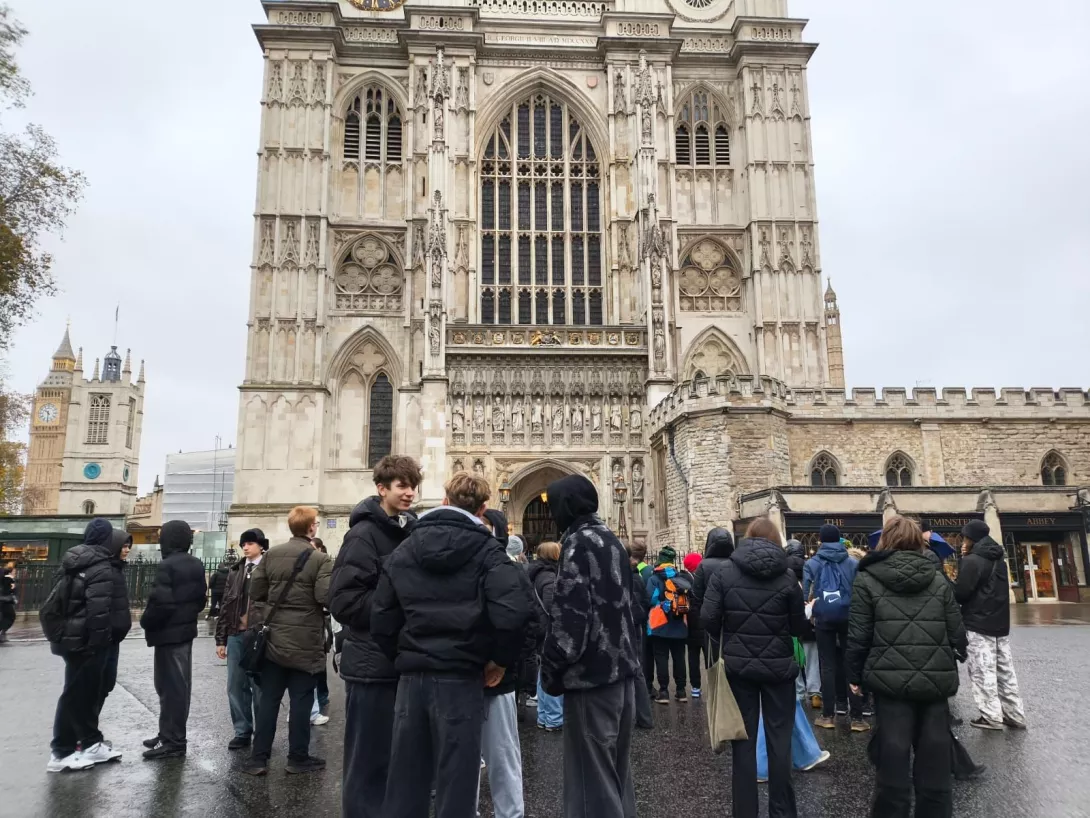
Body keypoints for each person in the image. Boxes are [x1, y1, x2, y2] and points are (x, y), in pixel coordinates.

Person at [371, 472, 530, 818]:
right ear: (483, 508)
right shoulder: (489, 550)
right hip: (461, 676)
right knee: (457, 778)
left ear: (444, 501)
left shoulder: (406, 547)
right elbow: (513, 611)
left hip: (413, 679)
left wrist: (402, 655)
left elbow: (381, 614)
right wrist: (499, 661)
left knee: (407, 778)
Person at [846, 515, 967, 817]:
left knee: (894, 756)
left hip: (889, 681)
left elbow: (859, 633)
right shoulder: (937, 576)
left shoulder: (868, 577)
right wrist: (957, 652)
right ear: (918, 541)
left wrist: (854, 674)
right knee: (934, 758)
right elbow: (957, 630)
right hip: (934, 680)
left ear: (885, 539)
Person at [541, 474, 640, 818]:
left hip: (592, 676)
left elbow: (571, 620)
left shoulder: (578, 544)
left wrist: (551, 669)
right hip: (622, 673)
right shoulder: (611, 540)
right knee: (615, 773)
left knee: (590, 782)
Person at [328, 455, 420, 815]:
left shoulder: (409, 531)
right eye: (402, 486)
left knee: (399, 759)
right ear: (381, 488)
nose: (410, 493)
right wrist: (396, 611)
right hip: (370, 664)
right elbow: (343, 601)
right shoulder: (363, 535)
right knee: (368, 761)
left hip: (399, 661)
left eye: (413, 486)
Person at [700, 517, 806, 818]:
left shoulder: (724, 572)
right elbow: (799, 627)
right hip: (779, 669)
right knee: (780, 743)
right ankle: (782, 812)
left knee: (743, 745)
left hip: (739, 668)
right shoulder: (787, 577)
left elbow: (707, 619)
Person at [244, 506, 333, 776]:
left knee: (269, 700)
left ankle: (258, 759)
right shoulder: (321, 560)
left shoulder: (271, 556)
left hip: (273, 639)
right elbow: (324, 597)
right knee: (302, 700)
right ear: (311, 528)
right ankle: (297, 758)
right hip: (305, 640)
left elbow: (256, 591)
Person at [45, 519, 125, 772]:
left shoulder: (74, 561)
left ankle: (90, 743)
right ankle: (61, 752)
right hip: (89, 643)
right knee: (76, 696)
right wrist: (99, 645)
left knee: (84, 693)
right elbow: (98, 612)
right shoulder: (100, 566)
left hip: (72, 639)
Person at [140, 520, 207, 760]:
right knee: (177, 687)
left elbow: (161, 604)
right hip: (185, 632)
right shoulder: (196, 564)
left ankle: (174, 740)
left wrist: (146, 622)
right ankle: (167, 733)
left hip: (168, 635)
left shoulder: (167, 565)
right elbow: (201, 601)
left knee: (170, 688)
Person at [954, 520, 1027, 731]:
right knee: (1005, 670)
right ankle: (1014, 713)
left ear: (971, 539)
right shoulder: (999, 560)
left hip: (978, 622)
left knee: (982, 670)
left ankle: (991, 716)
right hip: (1000, 622)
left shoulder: (972, 561)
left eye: (964, 538)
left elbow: (961, 593)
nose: (962, 542)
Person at [803, 524, 865, 731]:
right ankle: (857, 718)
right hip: (849, 616)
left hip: (823, 619)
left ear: (820, 541)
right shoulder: (853, 563)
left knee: (827, 666)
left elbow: (805, 596)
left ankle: (828, 715)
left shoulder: (812, 563)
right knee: (851, 664)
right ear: (839, 540)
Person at [215, 528, 269, 750]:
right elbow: (226, 604)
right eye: (243, 544)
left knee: (259, 686)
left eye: (250, 543)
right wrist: (221, 639)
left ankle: (262, 733)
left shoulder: (268, 568)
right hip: (236, 633)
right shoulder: (236, 570)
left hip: (258, 635)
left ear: (261, 545)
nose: (245, 547)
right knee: (235, 686)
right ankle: (242, 731)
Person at [94, 530, 133, 732]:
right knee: (96, 687)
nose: (126, 550)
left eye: (128, 547)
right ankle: (84, 737)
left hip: (112, 639)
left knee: (106, 685)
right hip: (102, 639)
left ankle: (89, 733)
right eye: (123, 546)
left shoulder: (116, 569)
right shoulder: (106, 571)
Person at [646, 545, 691, 703]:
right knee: (679, 658)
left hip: (659, 625)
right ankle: (681, 691)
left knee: (662, 658)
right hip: (680, 625)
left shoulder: (654, 578)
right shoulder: (682, 578)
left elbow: (649, 599)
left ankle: (664, 691)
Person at [529, 540, 563, 730]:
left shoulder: (536, 574)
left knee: (544, 672)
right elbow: (552, 605)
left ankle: (544, 716)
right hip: (548, 630)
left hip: (538, 628)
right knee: (552, 672)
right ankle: (554, 718)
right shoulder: (549, 576)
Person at [785, 539, 821, 707]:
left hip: (792, 619)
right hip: (810, 617)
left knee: (795, 656)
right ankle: (815, 692)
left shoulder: (784, 567)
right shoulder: (810, 565)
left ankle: (798, 691)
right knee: (812, 656)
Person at [691, 527, 734, 664]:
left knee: (713, 660)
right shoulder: (735, 563)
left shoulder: (703, 565)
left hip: (711, 618)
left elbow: (696, 596)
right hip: (733, 618)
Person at [626, 543, 655, 730]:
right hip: (635, 626)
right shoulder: (636, 577)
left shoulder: (622, 576)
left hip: (623, 626)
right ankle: (644, 717)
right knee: (636, 669)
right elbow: (645, 602)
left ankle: (626, 716)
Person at [681, 551, 705, 697]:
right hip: (699, 623)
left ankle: (695, 687)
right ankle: (700, 686)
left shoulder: (683, 579)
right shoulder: (698, 580)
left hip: (690, 625)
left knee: (693, 657)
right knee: (707, 656)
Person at [0, 561, 15, 643]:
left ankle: (3, 634)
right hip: (4, 600)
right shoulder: (7, 577)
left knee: (5, 617)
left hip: (3, 600)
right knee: (10, 616)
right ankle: (2, 634)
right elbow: (8, 589)